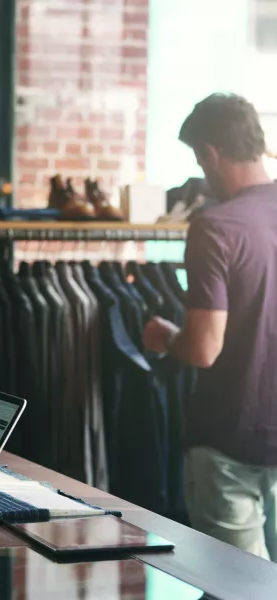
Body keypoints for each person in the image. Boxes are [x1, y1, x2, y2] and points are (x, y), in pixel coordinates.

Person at [143, 93, 277, 561]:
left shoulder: (215, 227)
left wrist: (165, 336)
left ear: (209, 154)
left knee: (240, 590)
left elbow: (203, 348)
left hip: (228, 440)